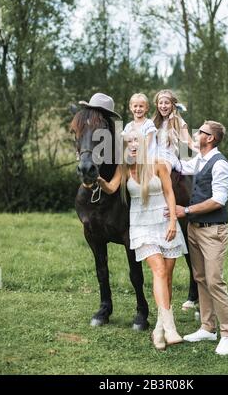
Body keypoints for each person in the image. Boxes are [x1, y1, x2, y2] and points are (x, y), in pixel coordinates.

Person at [97, 130, 187, 350]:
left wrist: (174, 223)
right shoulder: (124, 168)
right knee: (158, 270)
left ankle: (158, 330)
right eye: (128, 142)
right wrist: (96, 179)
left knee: (166, 277)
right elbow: (110, 188)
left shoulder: (158, 164)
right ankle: (171, 327)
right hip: (141, 225)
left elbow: (169, 193)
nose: (133, 145)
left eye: (136, 141)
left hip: (165, 222)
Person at [165, 120, 228, 356]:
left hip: (213, 230)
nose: (197, 134)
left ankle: (227, 334)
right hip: (195, 230)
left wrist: (185, 211)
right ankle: (207, 327)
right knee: (201, 278)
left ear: (210, 138)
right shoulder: (201, 160)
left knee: (215, 281)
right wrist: (164, 147)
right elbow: (181, 167)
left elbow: (218, 200)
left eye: (201, 132)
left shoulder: (220, 165)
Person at [153, 89, 197, 174]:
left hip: (168, 157)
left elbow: (189, 142)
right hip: (153, 155)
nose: (163, 106)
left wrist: (206, 153)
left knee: (162, 169)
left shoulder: (179, 122)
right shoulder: (154, 122)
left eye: (167, 103)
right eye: (160, 103)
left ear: (173, 105)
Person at [122, 93, 157, 159]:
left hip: (147, 159)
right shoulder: (128, 126)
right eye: (135, 106)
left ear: (146, 108)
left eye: (141, 106)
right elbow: (124, 143)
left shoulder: (148, 124)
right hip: (132, 158)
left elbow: (147, 144)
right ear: (131, 108)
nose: (138, 109)